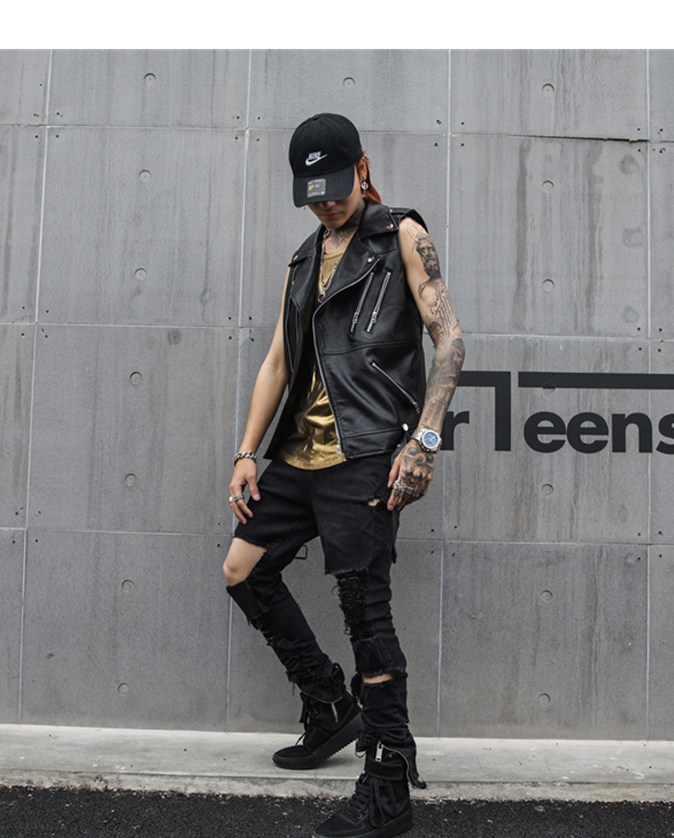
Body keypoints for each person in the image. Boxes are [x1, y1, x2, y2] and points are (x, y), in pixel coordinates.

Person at [223, 113, 465, 838]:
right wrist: (246, 451)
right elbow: (278, 360)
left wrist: (423, 440)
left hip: (365, 453)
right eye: (313, 194)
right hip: (299, 456)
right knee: (243, 571)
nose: (326, 203)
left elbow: (449, 337)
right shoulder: (302, 260)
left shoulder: (401, 235)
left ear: (362, 167)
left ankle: (388, 784)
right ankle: (329, 701)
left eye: (335, 187)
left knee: (365, 610)